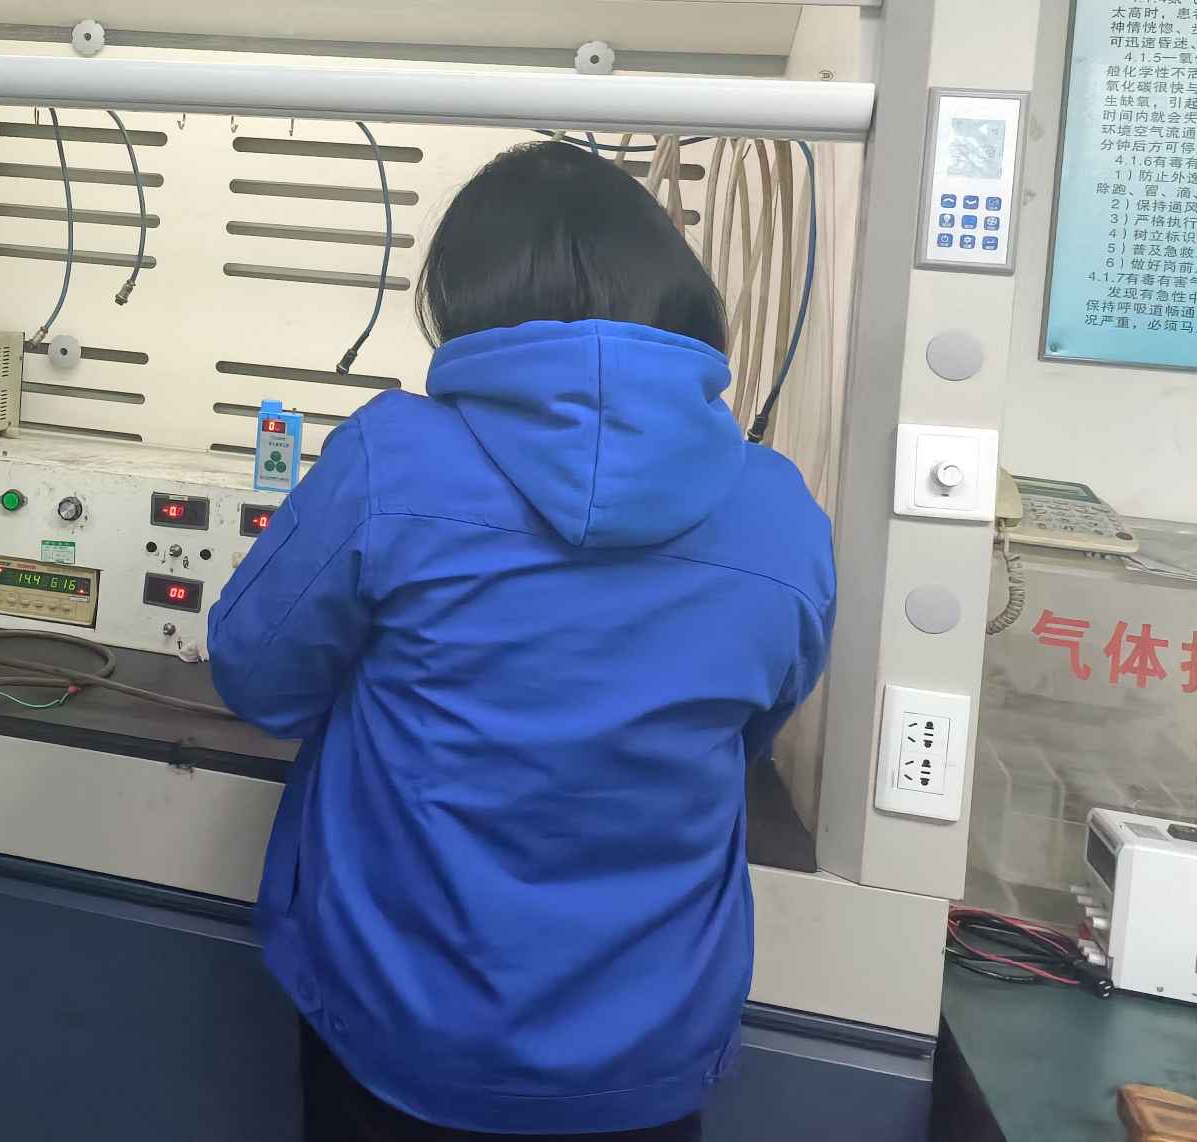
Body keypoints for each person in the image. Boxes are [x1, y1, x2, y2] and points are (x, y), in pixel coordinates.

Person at [208, 138, 836, 1142]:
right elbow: (751, 729)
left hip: (399, 1029)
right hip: (647, 1055)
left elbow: (257, 678)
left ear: (465, 300)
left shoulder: (389, 458)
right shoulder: (780, 511)